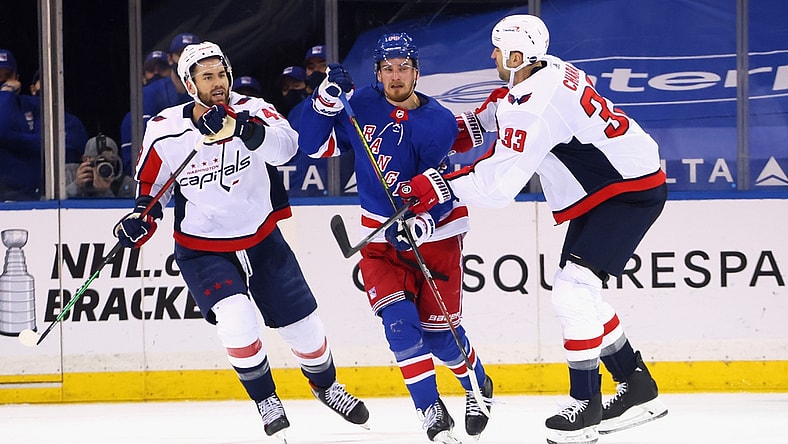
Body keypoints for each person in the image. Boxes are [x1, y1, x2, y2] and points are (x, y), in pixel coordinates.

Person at [398, 14, 669, 444]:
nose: (492, 56)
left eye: (498, 49)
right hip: (614, 184)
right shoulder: (549, 66)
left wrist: (440, 185)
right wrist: (464, 127)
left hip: (626, 192)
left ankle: (586, 405)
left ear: (519, 55)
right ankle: (636, 383)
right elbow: (507, 102)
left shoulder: (535, 109)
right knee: (581, 289)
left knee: (574, 291)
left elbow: (497, 185)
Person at [112, 41, 369, 441]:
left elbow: (286, 149)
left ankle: (326, 386)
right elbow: (152, 186)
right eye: (208, 77)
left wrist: (241, 128)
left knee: (304, 328)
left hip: (261, 236)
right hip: (202, 246)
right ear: (188, 83)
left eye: (222, 74)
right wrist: (139, 218)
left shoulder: (253, 109)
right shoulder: (165, 127)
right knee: (236, 320)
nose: (219, 83)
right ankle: (266, 400)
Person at [298, 33, 494, 443]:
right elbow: (311, 146)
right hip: (378, 238)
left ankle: (476, 379)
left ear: (417, 72)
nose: (396, 76)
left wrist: (425, 220)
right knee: (400, 327)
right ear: (378, 73)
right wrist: (324, 103)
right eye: (388, 68)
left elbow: (442, 182)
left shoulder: (438, 121)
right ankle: (430, 411)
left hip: (437, 234)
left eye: (404, 67)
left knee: (442, 340)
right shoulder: (361, 106)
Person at [0, 50, 87, 201]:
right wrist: (6, 92)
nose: (4, 82)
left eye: (8, 76)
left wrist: (14, 141)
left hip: (45, 196)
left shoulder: (28, 104)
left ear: (17, 78)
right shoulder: (8, 103)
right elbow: (2, 129)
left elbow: (62, 142)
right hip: (6, 198)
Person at [120, 33, 200, 175]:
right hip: (161, 174)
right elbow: (144, 144)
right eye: (180, 53)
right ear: (170, 58)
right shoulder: (150, 93)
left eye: (191, 53)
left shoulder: (206, 92)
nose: (186, 59)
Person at [65, 134, 136, 198]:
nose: (103, 167)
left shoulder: (124, 182)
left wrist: (105, 192)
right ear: (85, 159)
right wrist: (76, 185)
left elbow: (123, 210)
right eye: (98, 161)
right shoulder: (68, 173)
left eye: (109, 162)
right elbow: (59, 203)